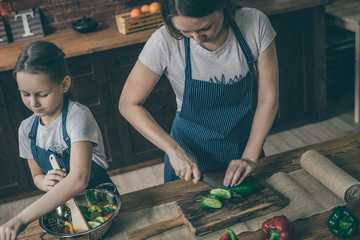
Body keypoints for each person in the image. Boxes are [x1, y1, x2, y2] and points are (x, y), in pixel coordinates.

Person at [119, 0, 278, 187]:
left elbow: (268, 97)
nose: (197, 40)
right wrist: (173, 150)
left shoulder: (255, 23)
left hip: (245, 144)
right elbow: (128, 104)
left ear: (222, 6)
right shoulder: (163, 41)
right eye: (185, 32)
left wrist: (250, 157)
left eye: (205, 28)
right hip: (189, 155)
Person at [0, 41, 117, 240]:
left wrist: (21, 218)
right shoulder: (27, 130)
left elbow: (79, 179)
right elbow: (36, 174)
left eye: (42, 94)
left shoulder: (77, 117)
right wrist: (44, 182)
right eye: (25, 94)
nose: (33, 102)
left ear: (64, 84)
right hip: (64, 209)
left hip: (99, 205)